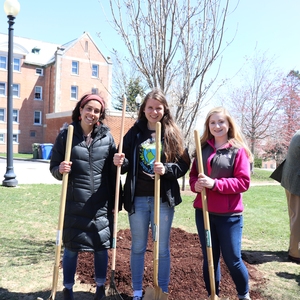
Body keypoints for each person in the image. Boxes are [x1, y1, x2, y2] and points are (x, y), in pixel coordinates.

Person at [113, 88, 190, 300]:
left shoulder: (171, 133)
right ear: (144, 109)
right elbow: (125, 163)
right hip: (137, 198)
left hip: (162, 199)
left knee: (162, 247)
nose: (154, 111)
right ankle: (137, 291)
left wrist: (167, 169)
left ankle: (161, 291)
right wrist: (119, 161)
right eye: (150, 107)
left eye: (158, 108)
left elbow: (184, 164)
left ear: (164, 109)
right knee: (138, 246)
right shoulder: (134, 133)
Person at [50, 93, 117, 300]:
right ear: (80, 110)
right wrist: (60, 169)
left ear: (100, 114)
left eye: (97, 111)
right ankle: (67, 288)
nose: (92, 114)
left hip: (99, 203)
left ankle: (99, 288)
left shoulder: (107, 137)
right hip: (74, 203)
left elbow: (114, 170)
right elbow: (54, 167)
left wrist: (119, 162)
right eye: (88, 108)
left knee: (101, 247)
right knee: (71, 248)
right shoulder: (66, 135)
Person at [189, 106, 252, 300]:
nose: (217, 126)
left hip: (229, 216)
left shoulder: (237, 150)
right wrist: (196, 186)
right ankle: (212, 295)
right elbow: (192, 177)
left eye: (221, 122)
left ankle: (243, 295)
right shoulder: (202, 149)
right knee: (210, 257)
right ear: (208, 125)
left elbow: (243, 182)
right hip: (204, 213)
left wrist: (214, 184)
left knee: (232, 259)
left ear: (228, 124)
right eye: (213, 122)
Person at [280, 130, 300, 264]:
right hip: (296, 181)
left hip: (291, 179)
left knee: (296, 216)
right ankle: (295, 253)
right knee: (297, 218)